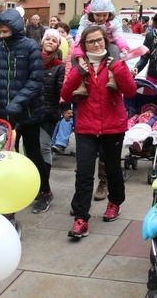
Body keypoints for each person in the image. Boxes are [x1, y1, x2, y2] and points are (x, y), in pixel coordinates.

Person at [61, 26, 137, 238]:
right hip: (86, 127)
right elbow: (66, 94)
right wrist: (79, 73)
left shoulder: (116, 64)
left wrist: (120, 69)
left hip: (113, 126)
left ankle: (114, 202)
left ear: (106, 41)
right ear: (83, 46)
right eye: (91, 41)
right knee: (84, 172)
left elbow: (130, 91)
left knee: (112, 168)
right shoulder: (80, 66)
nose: (96, 44)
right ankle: (81, 218)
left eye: (99, 40)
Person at [0, 8, 46, 233]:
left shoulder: (30, 47)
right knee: (7, 155)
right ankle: (13, 193)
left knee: (33, 152)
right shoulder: (0, 48)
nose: (1, 35)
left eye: (5, 31)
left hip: (28, 112)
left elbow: (36, 80)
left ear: (16, 28)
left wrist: (18, 101)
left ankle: (44, 191)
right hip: (6, 113)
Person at [72, 0, 129, 97]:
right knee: (74, 57)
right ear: (92, 13)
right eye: (98, 15)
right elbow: (79, 37)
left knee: (114, 49)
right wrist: (79, 55)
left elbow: (119, 36)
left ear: (109, 13)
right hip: (89, 45)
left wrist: (123, 47)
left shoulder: (114, 22)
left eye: (104, 15)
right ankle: (81, 84)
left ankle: (112, 78)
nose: (101, 18)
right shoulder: (86, 21)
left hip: (108, 45)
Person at [35, 28, 65, 214]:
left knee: (44, 147)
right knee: (29, 151)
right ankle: (35, 185)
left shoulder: (59, 66)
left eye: (54, 40)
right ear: (42, 42)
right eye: (48, 39)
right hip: (29, 113)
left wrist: (65, 108)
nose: (50, 42)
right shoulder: (33, 61)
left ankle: (46, 191)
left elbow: (62, 90)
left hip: (48, 113)